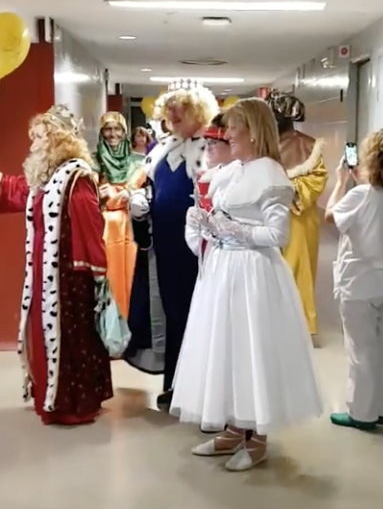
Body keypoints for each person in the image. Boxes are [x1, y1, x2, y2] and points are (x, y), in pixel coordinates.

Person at [171, 98, 323, 471]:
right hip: (224, 271)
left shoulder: (270, 174)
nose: (228, 135)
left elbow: (277, 233)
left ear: (253, 132)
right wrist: (205, 225)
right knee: (226, 349)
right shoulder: (235, 170)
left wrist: (231, 230)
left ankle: (257, 439)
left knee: (249, 349)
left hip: (252, 273)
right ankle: (233, 429)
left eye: (235, 128)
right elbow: (220, 215)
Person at [0, 105, 113, 426]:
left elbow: (90, 224)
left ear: (57, 139)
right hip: (46, 271)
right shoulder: (51, 175)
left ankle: (73, 404)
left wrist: (94, 272)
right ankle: (53, 395)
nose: (33, 145)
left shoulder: (76, 175)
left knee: (69, 336)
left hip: (68, 275)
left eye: (39, 137)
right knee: (46, 333)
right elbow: (20, 191)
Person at [124, 83, 219, 408]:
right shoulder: (163, 148)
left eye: (182, 109)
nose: (174, 116)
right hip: (164, 247)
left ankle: (200, 389)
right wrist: (140, 199)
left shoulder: (213, 150)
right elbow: (145, 184)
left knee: (199, 315)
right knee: (172, 314)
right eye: (171, 110)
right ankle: (177, 383)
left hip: (199, 250)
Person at [324, 129, 383, 430]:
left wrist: (340, 182)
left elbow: (330, 217)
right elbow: (380, 203)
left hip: (361, 284)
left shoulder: (359, 195)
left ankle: (360, 414)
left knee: (362, 350)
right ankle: (380, 410)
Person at [266, 90, 328, 339]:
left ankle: (300, 327)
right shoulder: (261, 143)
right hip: (264, 215)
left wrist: (288, 192)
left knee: (298, 271)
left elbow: (317, 179)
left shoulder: (308, 145)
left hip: (298, 218)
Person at [93, 112, 144, 317]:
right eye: (107, 129)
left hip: (133, 225)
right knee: (110, 275)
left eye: (117, 129)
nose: (112, 134)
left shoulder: (138, 162)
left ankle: (133, 324)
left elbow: (144, 190)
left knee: (133, 274)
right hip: (105, 227)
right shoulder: (94, 161)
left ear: (124, 133)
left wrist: (129, 192)